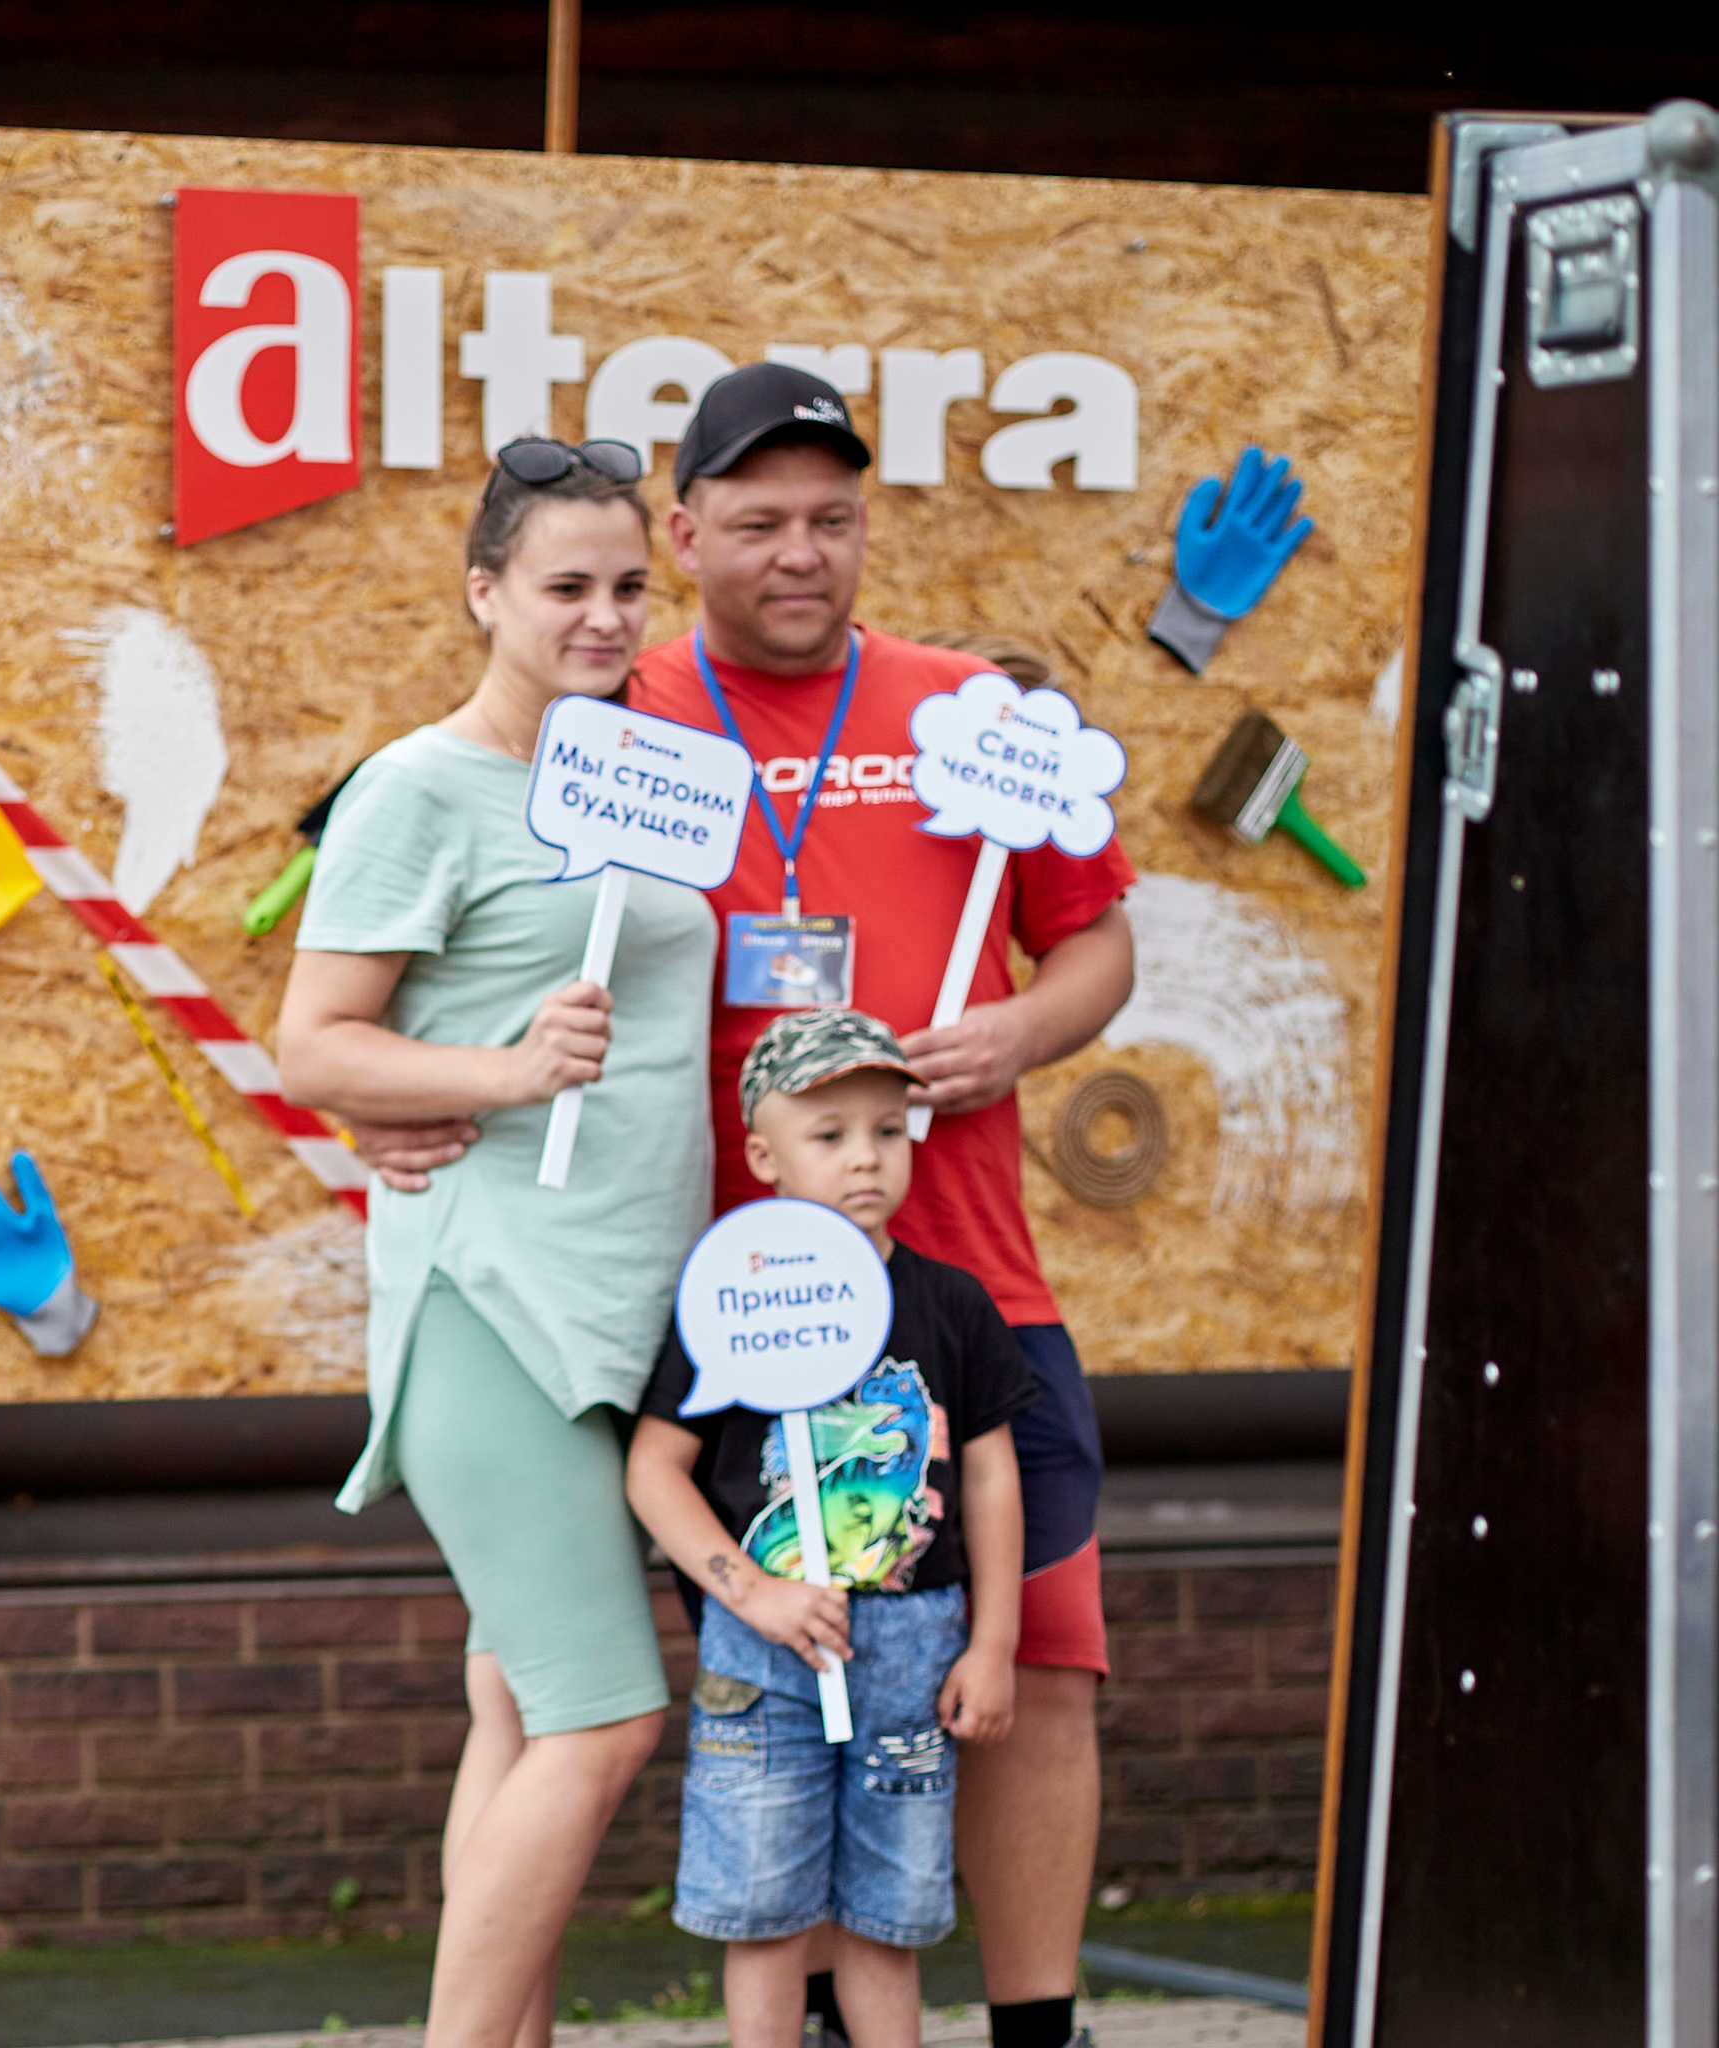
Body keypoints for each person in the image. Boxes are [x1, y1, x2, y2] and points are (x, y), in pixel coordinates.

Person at [355, 365, 1134, 2048]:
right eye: (758, 520)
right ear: (686, 537)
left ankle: (1033, 2025)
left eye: (833, 519)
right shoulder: (599, 720)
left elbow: (1095, 938)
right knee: (560, 1682)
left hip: (957, 1278)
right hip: (684, 1300)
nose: (802, 552)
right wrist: (398, 1108)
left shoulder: (969, 720)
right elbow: (425, 950)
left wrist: (1025, 1024)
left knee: (1031, 1659)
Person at [274, 439, 711, 2048]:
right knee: (605, 1716)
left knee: (524, 1703)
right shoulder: (419, 785)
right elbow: (316, 1043)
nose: (601, 619)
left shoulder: (645, 774)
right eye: (564, 588)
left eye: (624, 590)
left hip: (628, 1303)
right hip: (494, 1302)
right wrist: (506, 1072)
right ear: (487, 593)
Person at [630, 1007, 1031, 2048]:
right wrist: (748, 1587)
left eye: (886, 1130)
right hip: (762, 1652)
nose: (865, 1157)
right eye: (829, 1133)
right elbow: (653, 1468)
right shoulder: (723, 1302)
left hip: (913, 1646)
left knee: (885, 1916)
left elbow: (988, 1476)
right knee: (761, 1910)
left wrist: (993, 1643)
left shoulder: (950, 1303)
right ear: (762, 1153)